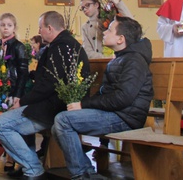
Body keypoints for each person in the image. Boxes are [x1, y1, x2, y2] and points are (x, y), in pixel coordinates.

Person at [52, 16, 153, 180]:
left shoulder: (134, 60)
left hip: (125, 117)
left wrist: (83, 104)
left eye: (110, 30)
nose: (104, 32)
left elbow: (122, 98)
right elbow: (108, 93)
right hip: (117, 113)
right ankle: (88, 173)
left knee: (63, 121)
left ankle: (81, 175)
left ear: (121, 39)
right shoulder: (122, 57)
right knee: (56, 126)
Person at [0, 11, 90, 180]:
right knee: (17, 121)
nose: (39, 31)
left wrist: (23, 100)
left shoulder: (60, 47)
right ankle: (29, 166)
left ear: (50, 28)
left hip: (54, 107)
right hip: (56, 104)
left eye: (40, 27)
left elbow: (49, 84)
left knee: (1, 124)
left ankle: (33, 169)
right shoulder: (69, 44)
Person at [0, 12, 30, 174]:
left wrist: (18, 94)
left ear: (14, 28)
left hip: (13, 89)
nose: (6, 28)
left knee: (11, 125)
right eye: (3, 25)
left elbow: (23, 72)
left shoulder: (18, 46)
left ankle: (12, 159)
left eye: (9, 25)